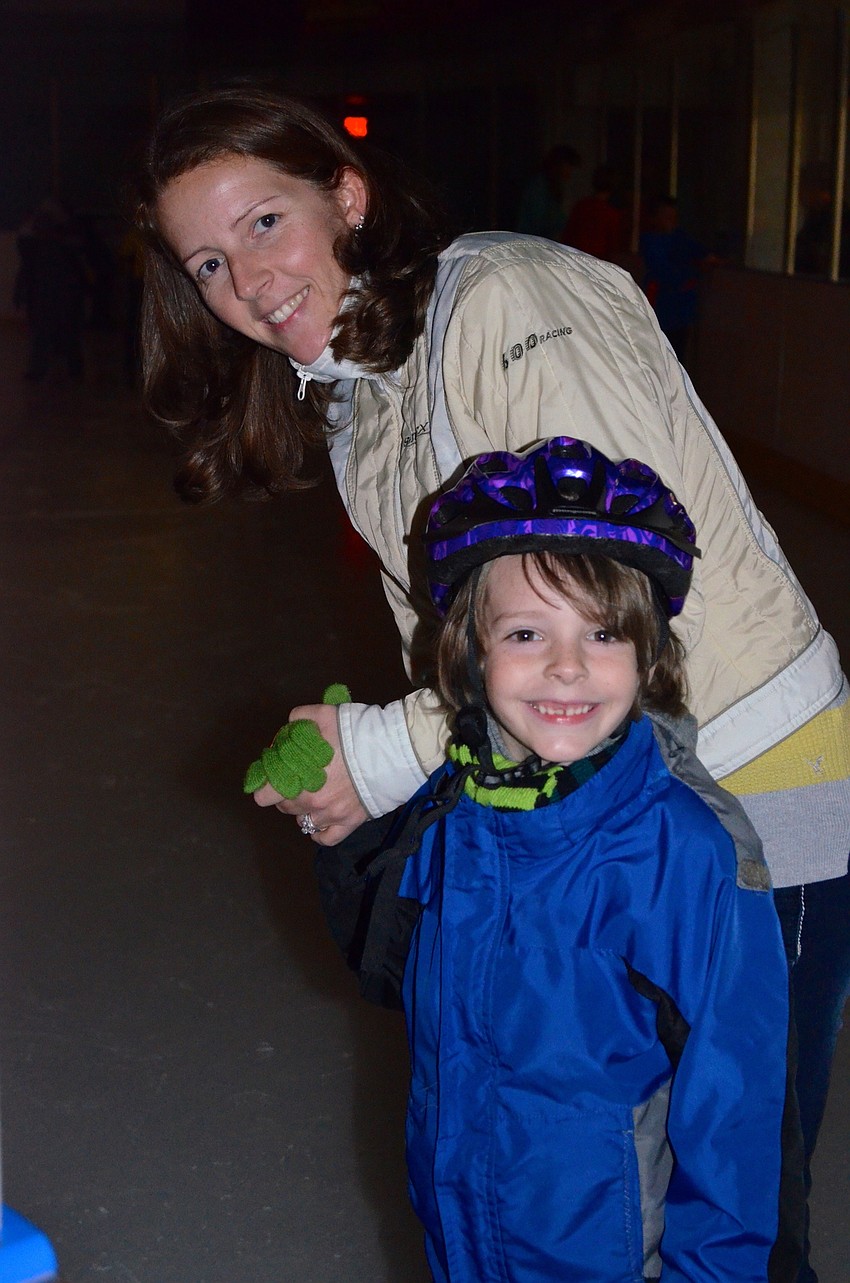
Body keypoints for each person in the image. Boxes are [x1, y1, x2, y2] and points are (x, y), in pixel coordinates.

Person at [135, 84, 850, 1283]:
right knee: (576, 1158)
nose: (246, 282)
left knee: (727, 1188)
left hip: (738, 784)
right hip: (595, 796)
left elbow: (591, 596)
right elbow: (474, 643)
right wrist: (395, 771)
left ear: (346, 194)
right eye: (207, 261)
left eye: (265, 223)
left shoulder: (504, 297)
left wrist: (389, 747)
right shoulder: (362, 392)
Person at [326, 435, 801, 1281]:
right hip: (462, 1228)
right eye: (525, 631)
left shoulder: (684, 856)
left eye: (604, 634)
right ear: (469, 649)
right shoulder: (454, 809)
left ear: (650, 655)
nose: (568, 666)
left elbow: (735, 1112)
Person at [639, 196, 715, 366]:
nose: (670, 222)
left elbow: (702, 253)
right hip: (661, 312)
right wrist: (693, 272)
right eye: (666, 217)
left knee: (677, 360)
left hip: (681, 314)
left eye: (673, 218)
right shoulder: (651, 242)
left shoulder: (680, 238)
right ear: (656, 218)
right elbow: (665, 273)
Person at [560, 162, 626, 263]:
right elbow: (614, 246)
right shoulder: (610, 213)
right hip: (596, 264)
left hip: (575, 261)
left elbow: (567, 236)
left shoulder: (581, 206)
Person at [515, 143, 581, 240]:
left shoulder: (554, 188)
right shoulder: (539, 186)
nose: (570, 171)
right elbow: (539, 221)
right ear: (559, 165)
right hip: (532, 243)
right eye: (569, 166)